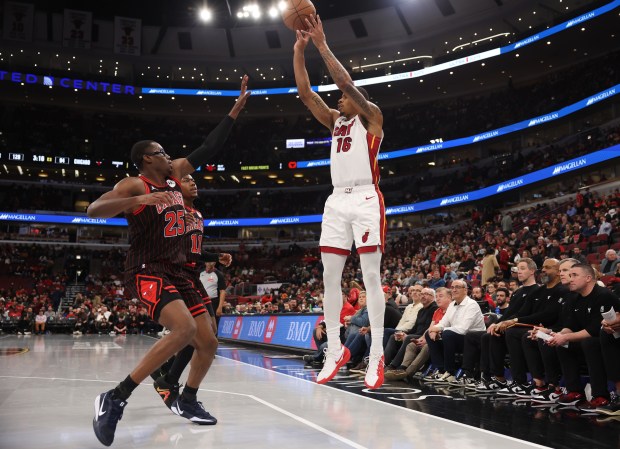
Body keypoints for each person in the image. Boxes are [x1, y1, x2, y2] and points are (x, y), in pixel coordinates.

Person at [88, 77, 250, 446]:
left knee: (208, 342)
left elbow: (208, 148)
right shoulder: (136, 185)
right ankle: (115, 397)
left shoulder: (175, 177)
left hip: (181, 271)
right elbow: (96, 209)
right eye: (160, 152)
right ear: (147, 158)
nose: (168, 155)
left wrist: (234, 112)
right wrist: (137, 203)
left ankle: (187, 398)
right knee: (184, 331)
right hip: (148, 268)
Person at [294, 16, 386, 389]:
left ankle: (377, 354)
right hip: (336, 200)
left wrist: (321, 44)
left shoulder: (373, 117)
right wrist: (299, 51)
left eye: (343, 97)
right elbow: (305, 94)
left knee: (371, 277)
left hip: (366, 196)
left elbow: (345, 82)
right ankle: (335, 349)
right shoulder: (335, 122)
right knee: (329, 278)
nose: (338, 98)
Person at [152, 174, 233, 409]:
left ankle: (167, 372)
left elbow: (195, 250)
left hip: (192, 276)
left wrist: (216, 257)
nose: (193, 183)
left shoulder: (197, 214)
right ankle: (169, 379)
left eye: (194, 180)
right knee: (199, 333)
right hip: (177, 276)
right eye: (187, 180)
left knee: (210, 332)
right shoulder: (174, 212)